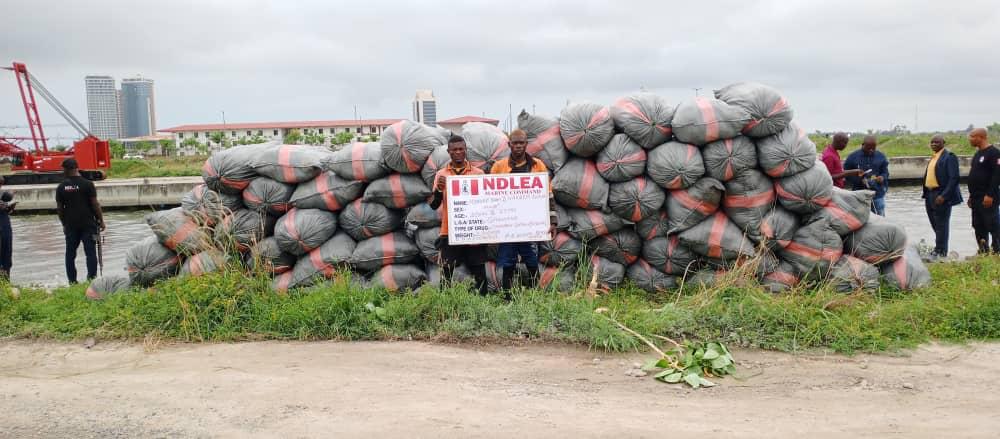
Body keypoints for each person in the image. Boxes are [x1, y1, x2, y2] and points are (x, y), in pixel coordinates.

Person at [489, 129, 557, 291]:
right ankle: (507, 296)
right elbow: (490, 197)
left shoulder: (537, 165)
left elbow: (547, 194)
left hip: (530, 224)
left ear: (526, 144)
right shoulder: (499, 167)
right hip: (508, 224)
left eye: (521, 143)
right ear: (509, 144)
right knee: (508, 262)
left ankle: (535, 295)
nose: (518, 146)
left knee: (532, 260)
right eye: (515, 143)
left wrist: (553, 221)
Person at [427, 135, 489, 295]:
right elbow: (434, 205)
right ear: (449, 152)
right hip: (449, 231)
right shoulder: (441, 175)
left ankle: (483, 304)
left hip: (473, 230)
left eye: (461, 149)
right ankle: (445, 303)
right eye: (454, 150)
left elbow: (487, 203)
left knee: (479, 272)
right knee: (446, 272)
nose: (458, 152)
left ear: (466, 150)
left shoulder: (478, 174)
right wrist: (439, 190)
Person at [55, 158, 105, 284]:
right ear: (76, 168)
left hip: (71, 225)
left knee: (70, 254)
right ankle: (91, 280)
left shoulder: (61, 187)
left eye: (63, 169)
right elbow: (95, 204)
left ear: (67, 169)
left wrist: (64, 224)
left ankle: (72, 282)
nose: (62, 171)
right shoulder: (88, 184)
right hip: (88, 224)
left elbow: (60, 209)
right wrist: (101, 220)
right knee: (90, 253)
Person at [921, 135, 962, 260]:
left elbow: (954, 178)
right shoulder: (934, 157)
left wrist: (944, 196)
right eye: (932, 142)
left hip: (941, 194)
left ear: (943, 143)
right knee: (935, 223)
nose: (933, 144)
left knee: (942, 224)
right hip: (929, 194)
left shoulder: (949, 157)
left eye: (937, 142)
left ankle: (941, 252)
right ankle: (939, 247)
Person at [966, 128, 1000, 254]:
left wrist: (990, 195)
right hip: (976, 197)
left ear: (981, 137)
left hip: (988, 197)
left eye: (972, 136)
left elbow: (997, 176)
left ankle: (997, 250)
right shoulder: (977, 154)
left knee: (993, 225)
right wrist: (971, 196)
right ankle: (983, 251)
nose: (970, 139)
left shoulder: (994, 153)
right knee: (978, 225)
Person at [844, 135, 890, 215]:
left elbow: (885, 172)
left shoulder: (881, 156)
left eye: (873, 148)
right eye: (868, 148)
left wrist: (882, 177)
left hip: (877, 193)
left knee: (879, 217)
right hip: (859, 194)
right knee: (859, 217)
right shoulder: (852, 157)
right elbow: (846, 174)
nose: (871, 150)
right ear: (863, 145)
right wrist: (859, 180)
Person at [0, 176, 15, 280]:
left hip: (5, 226)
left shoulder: (2, 196)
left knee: (7, 254)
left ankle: (5, 281)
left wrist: (9, 209)